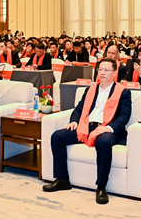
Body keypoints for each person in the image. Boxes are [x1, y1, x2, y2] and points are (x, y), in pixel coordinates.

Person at [43, 58, 132, 204]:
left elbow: (124, 116)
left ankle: (101, 187)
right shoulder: (91, 89)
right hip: (86, 126)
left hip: (107, 127)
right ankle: (62, 179)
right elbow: (79, 109)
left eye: (106, 70)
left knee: (103, 142)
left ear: (114, 72)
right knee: (57, 136)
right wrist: (74, 122)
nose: (102, 73)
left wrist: (109, 128)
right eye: (100, 69)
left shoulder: (123, 92)